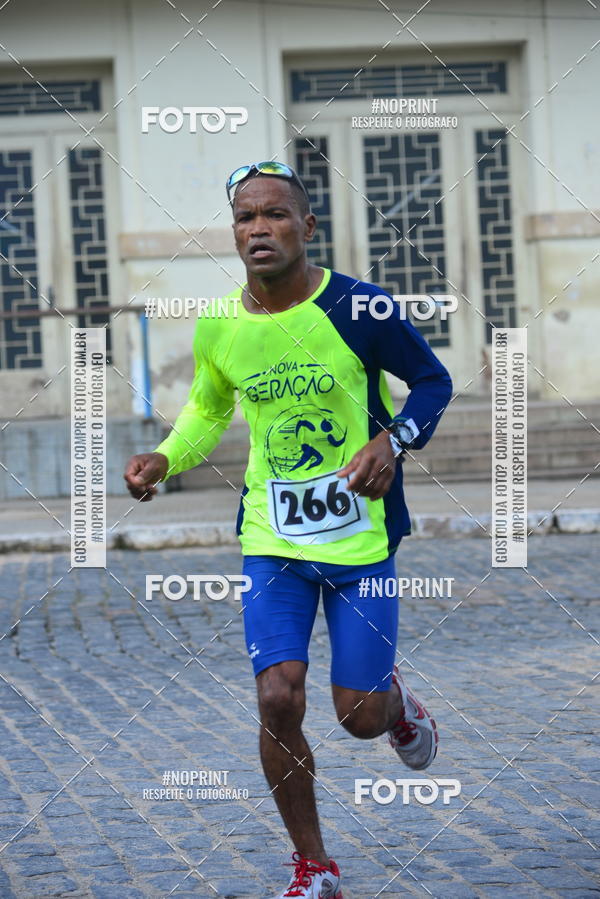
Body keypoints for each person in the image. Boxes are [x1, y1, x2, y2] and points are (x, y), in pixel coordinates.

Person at [124, 161, 453, 899]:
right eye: (245, 217)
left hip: (360, 538)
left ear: (307, 226)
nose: (259, 229)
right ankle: (315, 865)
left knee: (359, 716)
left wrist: (393, 440)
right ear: (233, 231)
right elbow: (208, 410)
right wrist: (166, 456)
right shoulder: (221, 324)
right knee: (278, 696)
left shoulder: (360, 307)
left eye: (275, 214)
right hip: (271, 538)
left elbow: (433, 382)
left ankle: (395, 703)